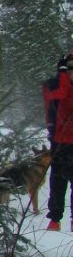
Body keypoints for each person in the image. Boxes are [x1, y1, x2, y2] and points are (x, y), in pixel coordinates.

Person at [44, 51, 73, 231]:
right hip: (60, 143)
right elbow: (61, 95)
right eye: (69, 67)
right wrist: (62, 75)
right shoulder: (53, 84)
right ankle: (55, 221)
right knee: (58, 184)